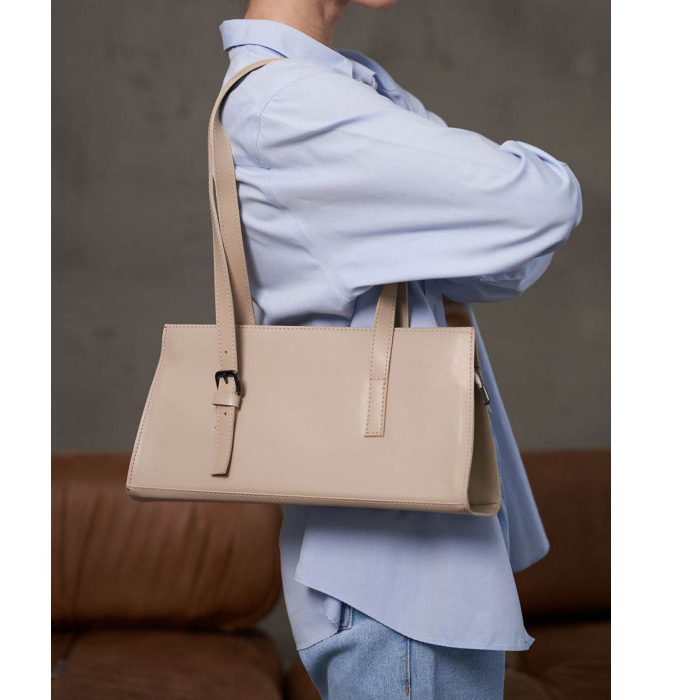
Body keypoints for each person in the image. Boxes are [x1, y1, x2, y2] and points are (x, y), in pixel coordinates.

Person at [218, 1, 582, 697]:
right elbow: (540, 203)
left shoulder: (333, 89)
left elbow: (497, 267)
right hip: (399, 583)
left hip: (407, 565)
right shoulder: (290, 101)